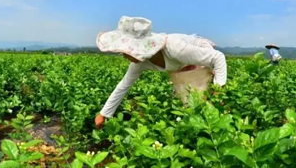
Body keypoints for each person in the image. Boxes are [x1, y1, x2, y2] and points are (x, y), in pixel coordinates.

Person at [94, 16, 227, 129]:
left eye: (126, 51)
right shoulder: (139, 62)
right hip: (182, 68)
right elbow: (123, 86)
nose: (124, 55)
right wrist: (104, 114)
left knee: (209, 103)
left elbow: (218, 57)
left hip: (200, 58)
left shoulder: (175, 48)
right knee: (188, 105)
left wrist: (218, 90)